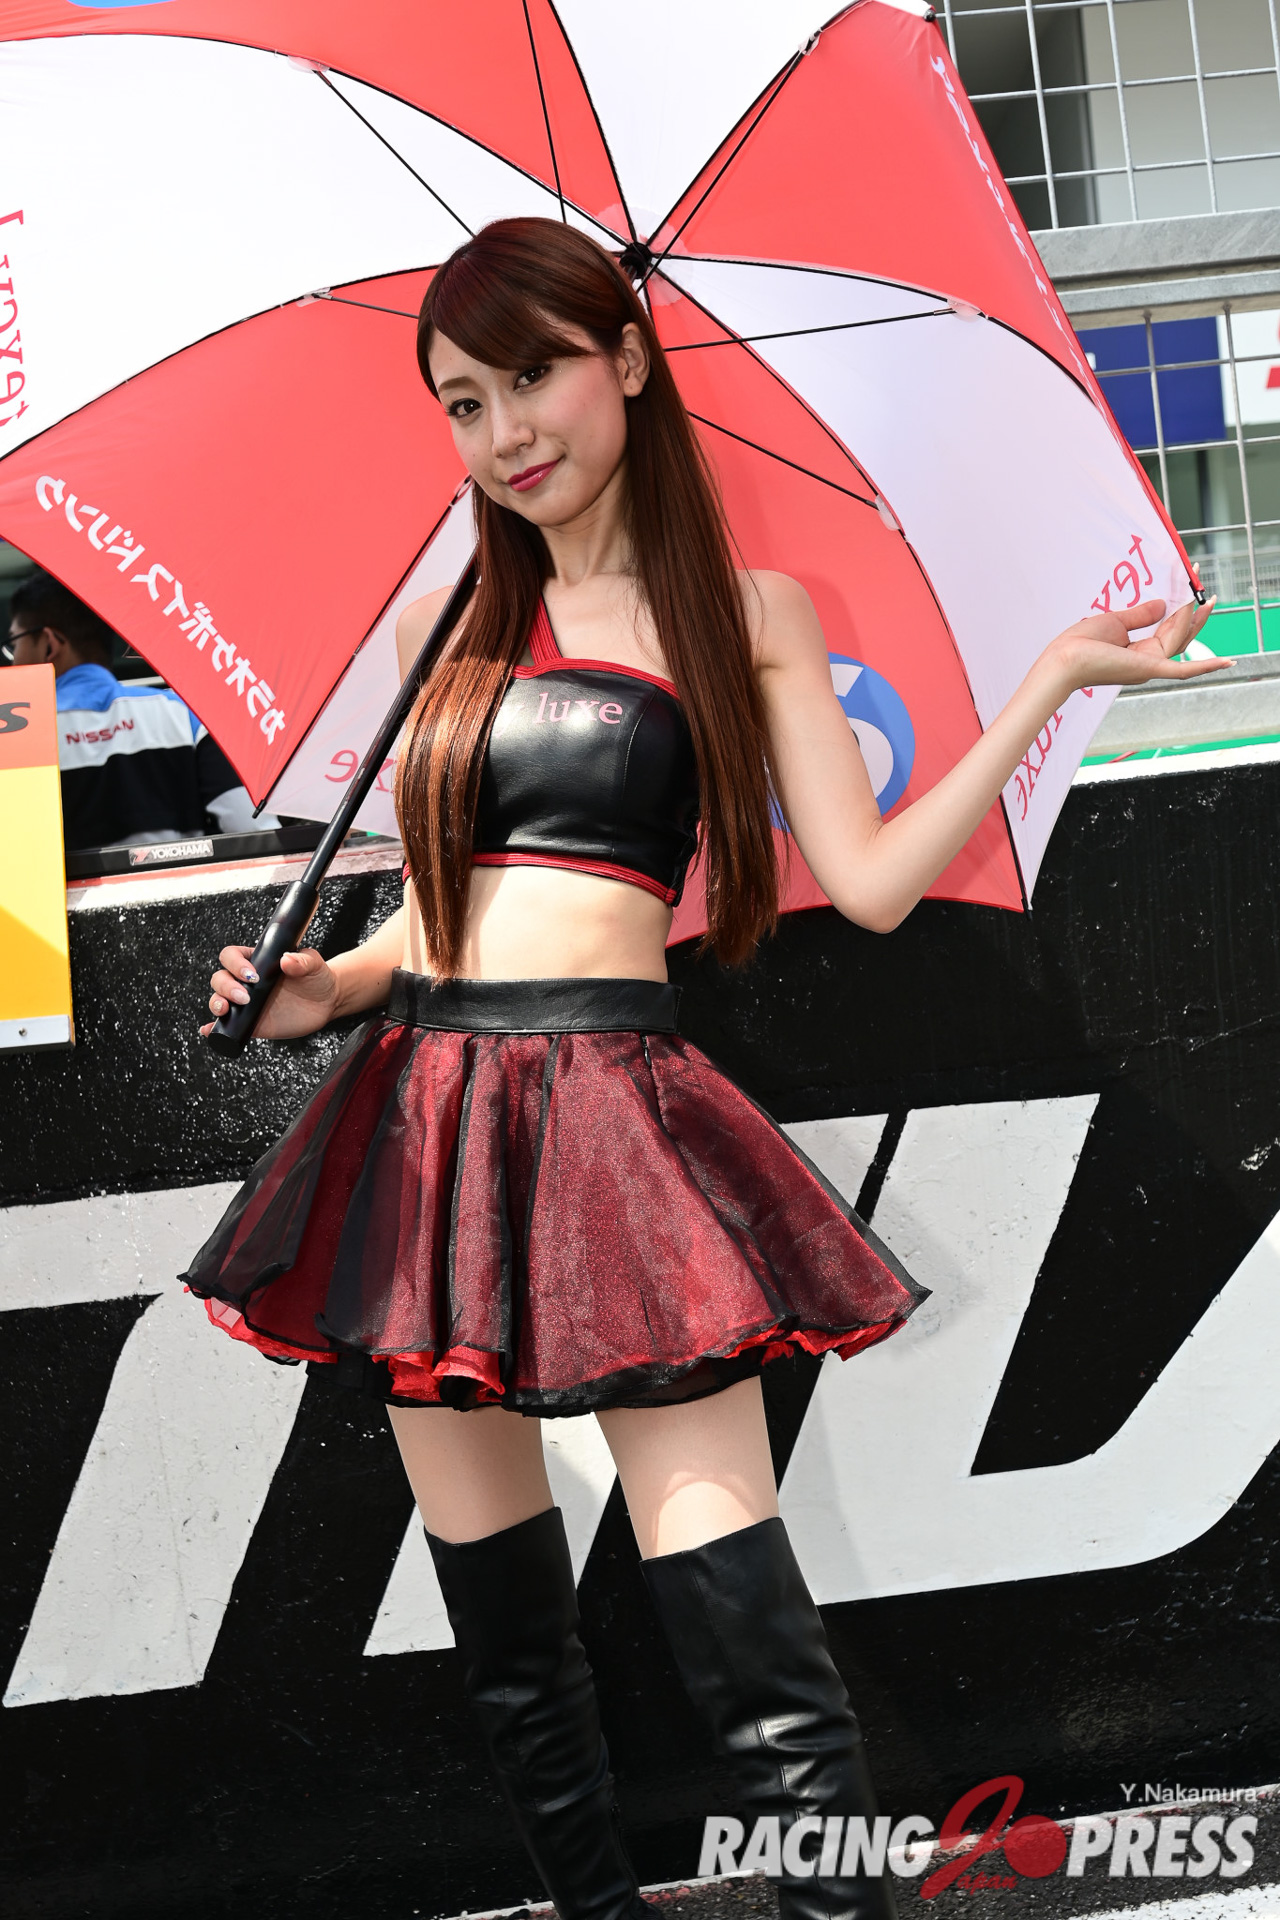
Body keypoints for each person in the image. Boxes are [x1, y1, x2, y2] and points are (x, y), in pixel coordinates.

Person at [182, 220, 1222, 1920]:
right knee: (509, 1646)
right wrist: (318, 990)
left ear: (627, 359)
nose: (505, 430)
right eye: (463, 402)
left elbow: (868, 884)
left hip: (610, 1115)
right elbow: (431, 920)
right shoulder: (440, 630)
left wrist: (1046, 685)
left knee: (749, 1639)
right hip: (424, 1123)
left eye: (532, 375)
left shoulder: (743, 617)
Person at [6, 571, 278, 851]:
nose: (13, 660)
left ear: (49, 644)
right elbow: (256, 835)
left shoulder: (13, 736)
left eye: (14, 643)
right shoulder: (188, 716)